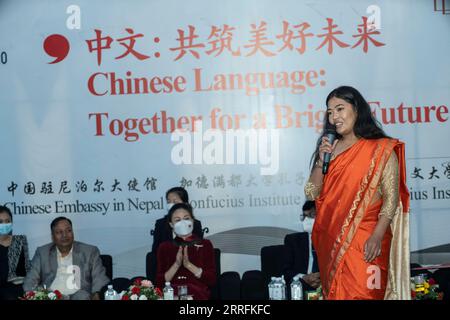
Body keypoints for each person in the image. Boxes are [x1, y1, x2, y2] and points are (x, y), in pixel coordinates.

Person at [304, 86, 410, 300]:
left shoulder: (381, 149)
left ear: (357, 109)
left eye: (340, 109)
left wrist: (377, 235)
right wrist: (320, 160)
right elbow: (311, 193)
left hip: (368, 239)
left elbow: (391, 199)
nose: (334, 117)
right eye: (330, 112)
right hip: (332, 242)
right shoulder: (329, 150)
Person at [23, 217, 109, 300]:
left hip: (80, 295)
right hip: (52, 296)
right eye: (59, 232)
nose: (64, 235)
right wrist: (34, 295)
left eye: (68, 231)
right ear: (52, 236)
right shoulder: (42, 252)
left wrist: (97, 293)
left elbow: (100, 277)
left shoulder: (90, 251)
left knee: (82, 296)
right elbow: (30, 280)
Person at [156, 203, 216, 300]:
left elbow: (211, 279)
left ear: (192, 220)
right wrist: (176, 264)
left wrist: (188, 265)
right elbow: (159, 282)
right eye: (177, 220)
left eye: (186, 218)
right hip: (171, 295)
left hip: (197, 294)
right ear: (171, 224)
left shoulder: (205, 244)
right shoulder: (164, 247)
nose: (182, 223)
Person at [283, 201, 320, 297]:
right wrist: (304, 277)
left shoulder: (333, 240)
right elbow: (286, 271)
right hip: (302, 285)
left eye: (311, 215)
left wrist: (321, 279)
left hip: (325, 285)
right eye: (304, 216)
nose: (306, 220)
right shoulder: (292, 240)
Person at [151, 187, 203, 253]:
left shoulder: (195, 224)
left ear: (185, 203)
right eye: (168, 202)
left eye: (175, 202)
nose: (171, 205)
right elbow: (155, 251)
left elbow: (199, 251)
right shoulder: (160, 224)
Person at [0, 205, 31, 300]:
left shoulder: (20, 241)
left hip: (17, 289)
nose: (4, 224)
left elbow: (26, 269)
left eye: (7, 221)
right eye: (0, 222)